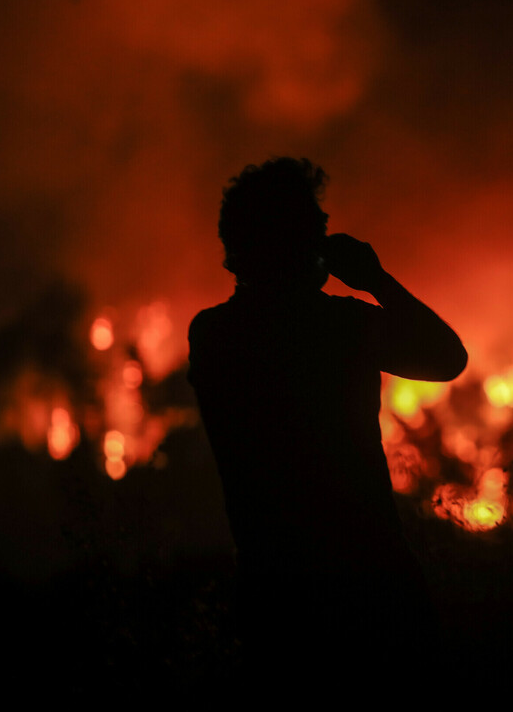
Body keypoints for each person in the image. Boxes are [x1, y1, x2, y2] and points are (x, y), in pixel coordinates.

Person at [188, 157, 467, 695]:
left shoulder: (214, 334)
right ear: (292, 242)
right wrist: (376, 280)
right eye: (316, 226)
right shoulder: (341, 326)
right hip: (370, 581)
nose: (327, 231)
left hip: (273, 589)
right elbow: (447, 357)